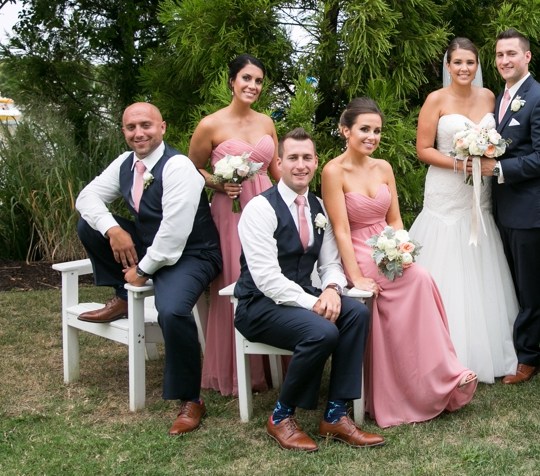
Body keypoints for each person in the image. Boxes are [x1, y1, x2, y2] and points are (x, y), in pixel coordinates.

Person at [322, 97, 477, 427]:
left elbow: (394, 218)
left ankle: (440, 376)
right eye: (364, 129)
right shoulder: (333, 171)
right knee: (411, 282)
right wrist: (355, 276)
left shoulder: (384, 168)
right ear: (344, 130)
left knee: (421, 277)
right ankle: (417, 383)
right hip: (359, 251)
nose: (371, 136)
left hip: (387, 246)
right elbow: (341, 230)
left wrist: (401, 247)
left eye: (377, 131)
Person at [75, 103, 222, 435]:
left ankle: (191, 400)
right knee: (89, 224)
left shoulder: (179, 166)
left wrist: (142, 271)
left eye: (146, 125)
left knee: (171, 311)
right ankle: (122, 296)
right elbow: (87, 197)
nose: (138, 133)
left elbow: (174, 233)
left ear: (163, 127)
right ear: (124, 131)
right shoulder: (127, 164)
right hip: (149, 245)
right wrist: (114, 230)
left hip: (192, 253)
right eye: (130, 127)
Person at [234, 128, 382, 451]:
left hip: (300, 296)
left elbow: (331, 263)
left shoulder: (318, 207)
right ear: (279, 163)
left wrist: (331, 288)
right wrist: (313, 302)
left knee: (355, 312)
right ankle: (280, 416)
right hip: (258, 305)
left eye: (306, 158)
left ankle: (335, 414)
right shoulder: (259, 209)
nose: (300, 165)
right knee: (322, 331)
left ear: (315, 162)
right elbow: (267, 279)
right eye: (292, 158)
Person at [409, 37, 520, 383]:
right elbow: (423, 149)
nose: (464, 68)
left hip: (480, 192)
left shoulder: (489, 97)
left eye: (470, 62)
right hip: (446, 191)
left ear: (477, 65)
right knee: (445, 257)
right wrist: (461, 165)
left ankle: (483, 346)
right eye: (457, 62)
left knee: (480, 259)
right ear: (448, 66)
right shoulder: (435, 100)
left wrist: (485, 154)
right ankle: (435, 348)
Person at [468, 28, 540, 384]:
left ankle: (529, 357)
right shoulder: (498, 100)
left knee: (529, 286)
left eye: (511, 54)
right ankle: (510, 345)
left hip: (531, 209)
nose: (504, 61)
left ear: (527, 57)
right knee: (508, 283)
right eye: (499, 55)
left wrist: (499, 168)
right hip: (502, 206)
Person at [189, 53, 282, 396]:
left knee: (272, 274)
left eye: (258, 81)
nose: (253, 86)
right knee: (235, 283)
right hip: (232, 210)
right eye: (246, 78)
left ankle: (278, 361)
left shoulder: (267, 122)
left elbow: (276, 171)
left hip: (267, 206)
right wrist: (217, 182)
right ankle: (235, 370)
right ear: (232, 81)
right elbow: (193, 169)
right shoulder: (210, 125)